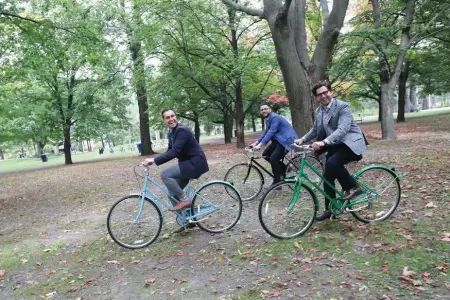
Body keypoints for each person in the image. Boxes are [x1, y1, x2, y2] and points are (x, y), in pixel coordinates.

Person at [295, 80, 367, 221]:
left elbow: (343, 129)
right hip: (336, 145)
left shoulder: (342, 107)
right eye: (319, 94)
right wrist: (302, 139)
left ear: (330, 92)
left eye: (325, 92)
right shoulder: (319, 111)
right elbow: (315, 129)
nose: (323, 96)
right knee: (327, 176)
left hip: (351, 143)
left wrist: (324, 141)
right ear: (316, 98)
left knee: (333, 163)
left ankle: (354, 187)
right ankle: (330, 210)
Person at [143, 109, 209, 233]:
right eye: (167, 117)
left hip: (195, 163)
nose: (171, 119)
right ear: (164, 120)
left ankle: (184, 200)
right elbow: (169, 151)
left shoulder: (182, 130)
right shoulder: (171, 132)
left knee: (165, 174)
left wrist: (154, 159)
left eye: (172, 116)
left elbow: (175, 152)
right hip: (187, 164)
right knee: (172, 192)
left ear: (176, 117)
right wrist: (154, 161)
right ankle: (187, 221)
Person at [251, 104, 298, 185]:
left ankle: (277, 182)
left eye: (265, 109)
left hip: (286, 140)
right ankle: (285, 168)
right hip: (278, 140)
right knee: (266, 155)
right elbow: (266, 132)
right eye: (262, 109)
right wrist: (256, 142)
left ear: (270, 110)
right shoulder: (267, 119)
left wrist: (260, 145)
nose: (264, 111)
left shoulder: (275, 117)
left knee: (273, 159)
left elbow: (271, 132)